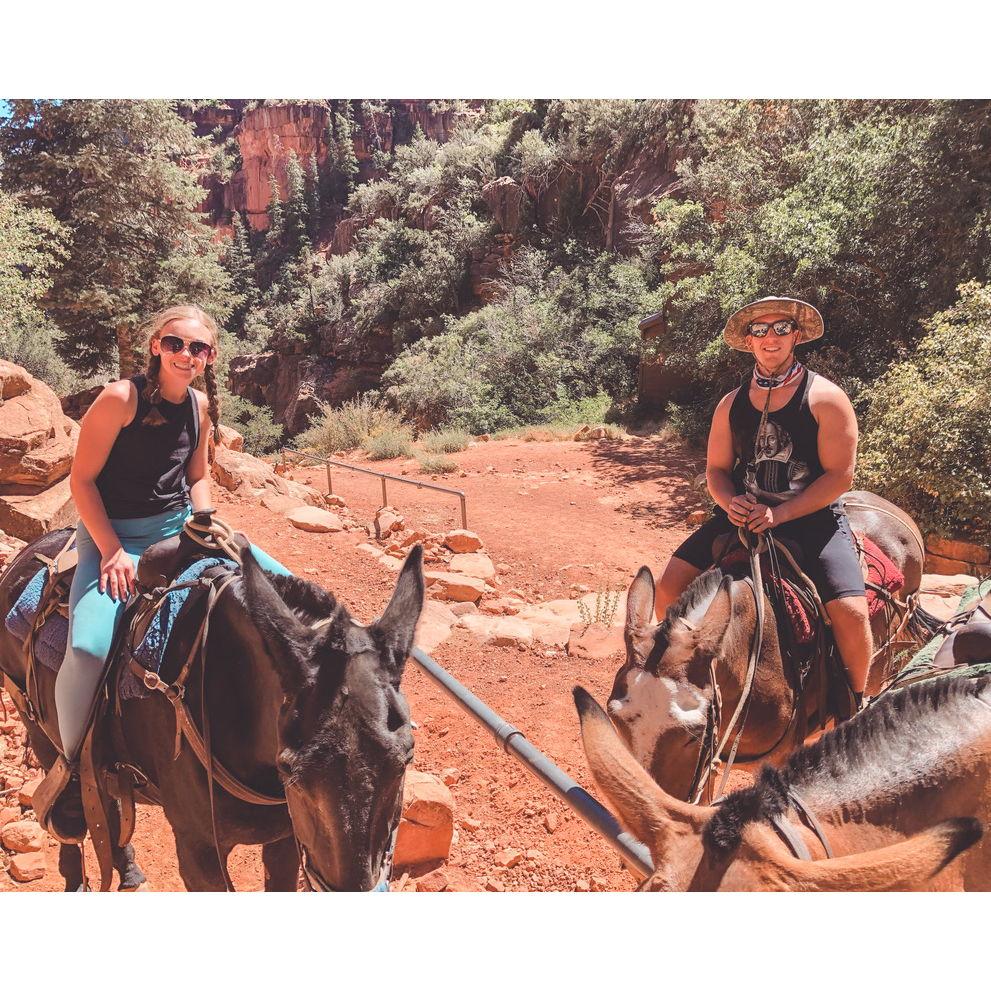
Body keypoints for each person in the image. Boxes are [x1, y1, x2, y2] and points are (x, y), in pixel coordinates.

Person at [54, 304, 291, 769]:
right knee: (88, 649)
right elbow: (81, 482)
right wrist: (112, 551)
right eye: (175, 344)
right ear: (155, 347)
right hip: (114, 535)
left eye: (197, 347)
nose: (186, 354)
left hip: (180, 530)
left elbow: (196, 474)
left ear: (211, 357)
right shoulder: (120, 398)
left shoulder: (199, 407)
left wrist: (205, 516)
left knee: (289, 592)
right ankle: (71, 764)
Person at [656, 296, 872, 703]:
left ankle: (854, 701)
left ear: (796, 337)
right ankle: (683, 676)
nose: (770, 337)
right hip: (744, 514)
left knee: (850, 613)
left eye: (780, 328)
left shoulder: (825, 398)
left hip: (812, 518)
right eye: (759, 330)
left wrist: (782, 512)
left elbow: (840, 476)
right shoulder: (730, 404)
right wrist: (728, 503)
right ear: (749, 340)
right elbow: (717, 470)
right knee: (668, 590)